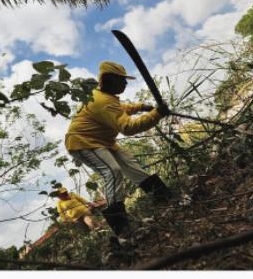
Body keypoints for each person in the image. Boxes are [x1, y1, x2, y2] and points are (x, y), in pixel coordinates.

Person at [64, 61, 173, 237]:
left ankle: (164, 198)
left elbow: (121, 108)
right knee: (112, 172)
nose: (125, 83)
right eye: (122, 80)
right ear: (108, 80)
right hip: (83, 142)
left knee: (132, 166)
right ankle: (121, 228)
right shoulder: (102, 102)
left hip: (103, 141)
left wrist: (142, 107)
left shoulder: (104, 97)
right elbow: (128, 128)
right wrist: (156, 114)